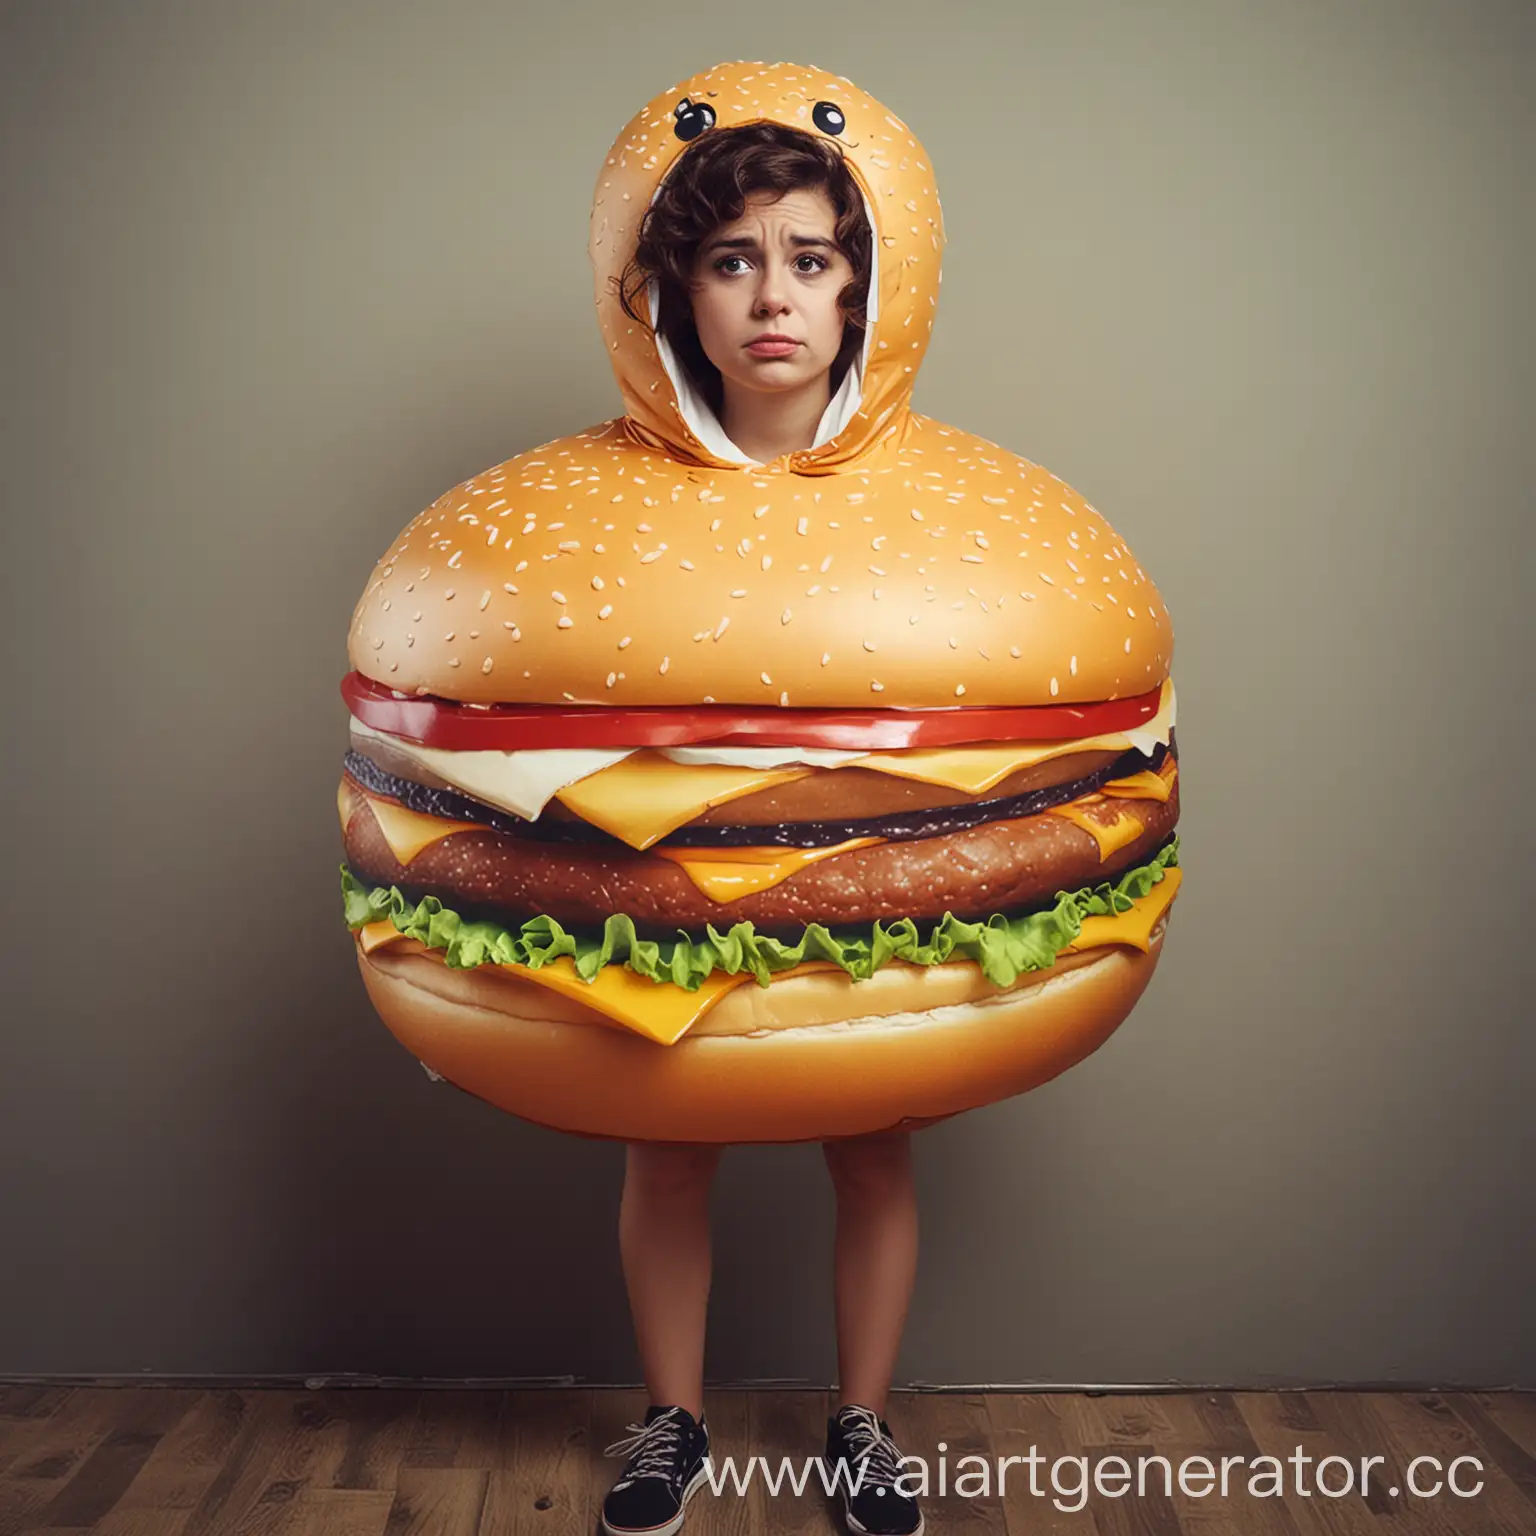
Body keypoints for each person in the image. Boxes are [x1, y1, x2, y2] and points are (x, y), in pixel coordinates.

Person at [598, 123, 925, 1536]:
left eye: (812, 260)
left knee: (873, 1153)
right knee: (667, 1152)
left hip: (869, 872)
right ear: (682, 291)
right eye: (733, 262)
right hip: (659, 871)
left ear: (863, 291)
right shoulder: (589, 505)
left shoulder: (938, 503)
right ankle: (672, 1423)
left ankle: (864, 1423)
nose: (773, 298)